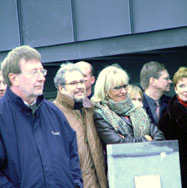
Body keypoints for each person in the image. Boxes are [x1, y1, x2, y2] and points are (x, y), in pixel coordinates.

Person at [0, 45, 83, 188]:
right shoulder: (2, 115)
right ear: (14, 78)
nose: (42, 78)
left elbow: (72, 157)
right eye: (33, 73)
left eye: (41, 71)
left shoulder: (54, 112)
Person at [54, 63, 108, 188]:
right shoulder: (53, 114)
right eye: (73, 83)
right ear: (61, 88)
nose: (79, 86)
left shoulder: (92, 109)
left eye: (81, 82)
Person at [92, 64, 165, 151]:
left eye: (124, 86)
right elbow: (118, 144)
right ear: (105, 90)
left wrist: (130, 141)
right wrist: (146, 139)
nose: (123, 91)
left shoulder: (137, 110)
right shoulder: (100, 114)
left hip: (147, 161)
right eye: (117, 88)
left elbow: (159, 135)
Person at [140, 61, 172, 125]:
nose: (170, 81)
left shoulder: (171, 103)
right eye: (166, 78)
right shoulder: (136, 104)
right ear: (153, 81)